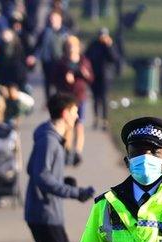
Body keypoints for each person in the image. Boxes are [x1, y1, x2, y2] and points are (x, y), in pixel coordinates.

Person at [2, 93, 94, 242]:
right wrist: (74, 192)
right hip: (43, 213)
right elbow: (41, 175)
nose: (76, 115)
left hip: (45, 211)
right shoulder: (49, 140)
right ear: (65, 113)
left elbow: (34, 168)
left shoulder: (50, 137)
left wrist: (63, 181)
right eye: (74, 110)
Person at [49, 35, 93, 166]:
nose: (71, 49)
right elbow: (53, 79)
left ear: (78, 47)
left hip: (80, 97)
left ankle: (77, 152)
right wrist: (64, 78)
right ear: (65, 48)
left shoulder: (84, 61)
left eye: (74, 46)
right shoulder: (61, 63)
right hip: (66, 99)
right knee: (68, 126)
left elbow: (91, 79)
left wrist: (85, 74)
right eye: (69, 46)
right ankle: (67, 151)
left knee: (79, 125)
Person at [84, 28, 121, 130]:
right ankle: (96, 118)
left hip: (106, 75)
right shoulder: (93, 45)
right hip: (94, 74)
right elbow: (86, 57)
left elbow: (114, 58)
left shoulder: (110, 45)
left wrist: (109, 46)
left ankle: (105, 120)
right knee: (95, 98)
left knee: (104, 97)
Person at [30, 9, 69, 104]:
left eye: (55, 18)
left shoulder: (65, 33)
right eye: (51, 19)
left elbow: (68, 48)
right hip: (47, 61)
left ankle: (59, 101)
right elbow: (38, 46)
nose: (53, 21)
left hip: (60, 62)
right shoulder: (44, 32)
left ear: (60, 19)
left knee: (59, 83)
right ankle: (49, 102)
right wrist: (34, 57)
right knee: (48, 82)